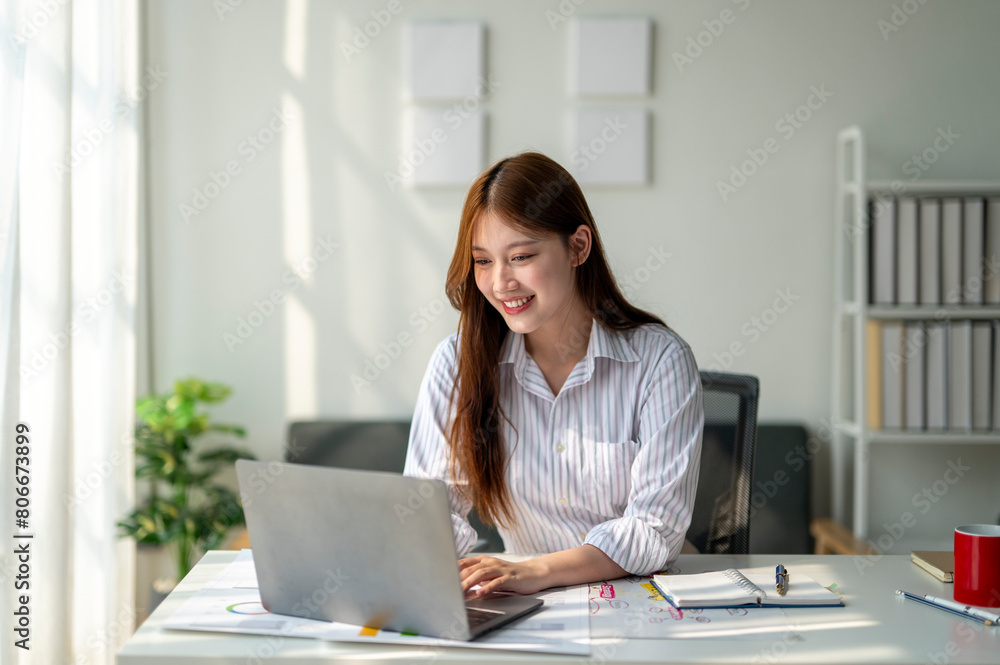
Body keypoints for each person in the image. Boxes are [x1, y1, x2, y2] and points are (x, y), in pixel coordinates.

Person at [403, 151, 703, 598]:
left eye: (521, 256)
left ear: (578, 246)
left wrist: (537, 572)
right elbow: (428, 512)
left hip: (643, 597)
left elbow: (655, 529)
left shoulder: (659, 361)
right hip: (529, 605)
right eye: (483, 261)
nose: (500, 282)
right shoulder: (457, 363)